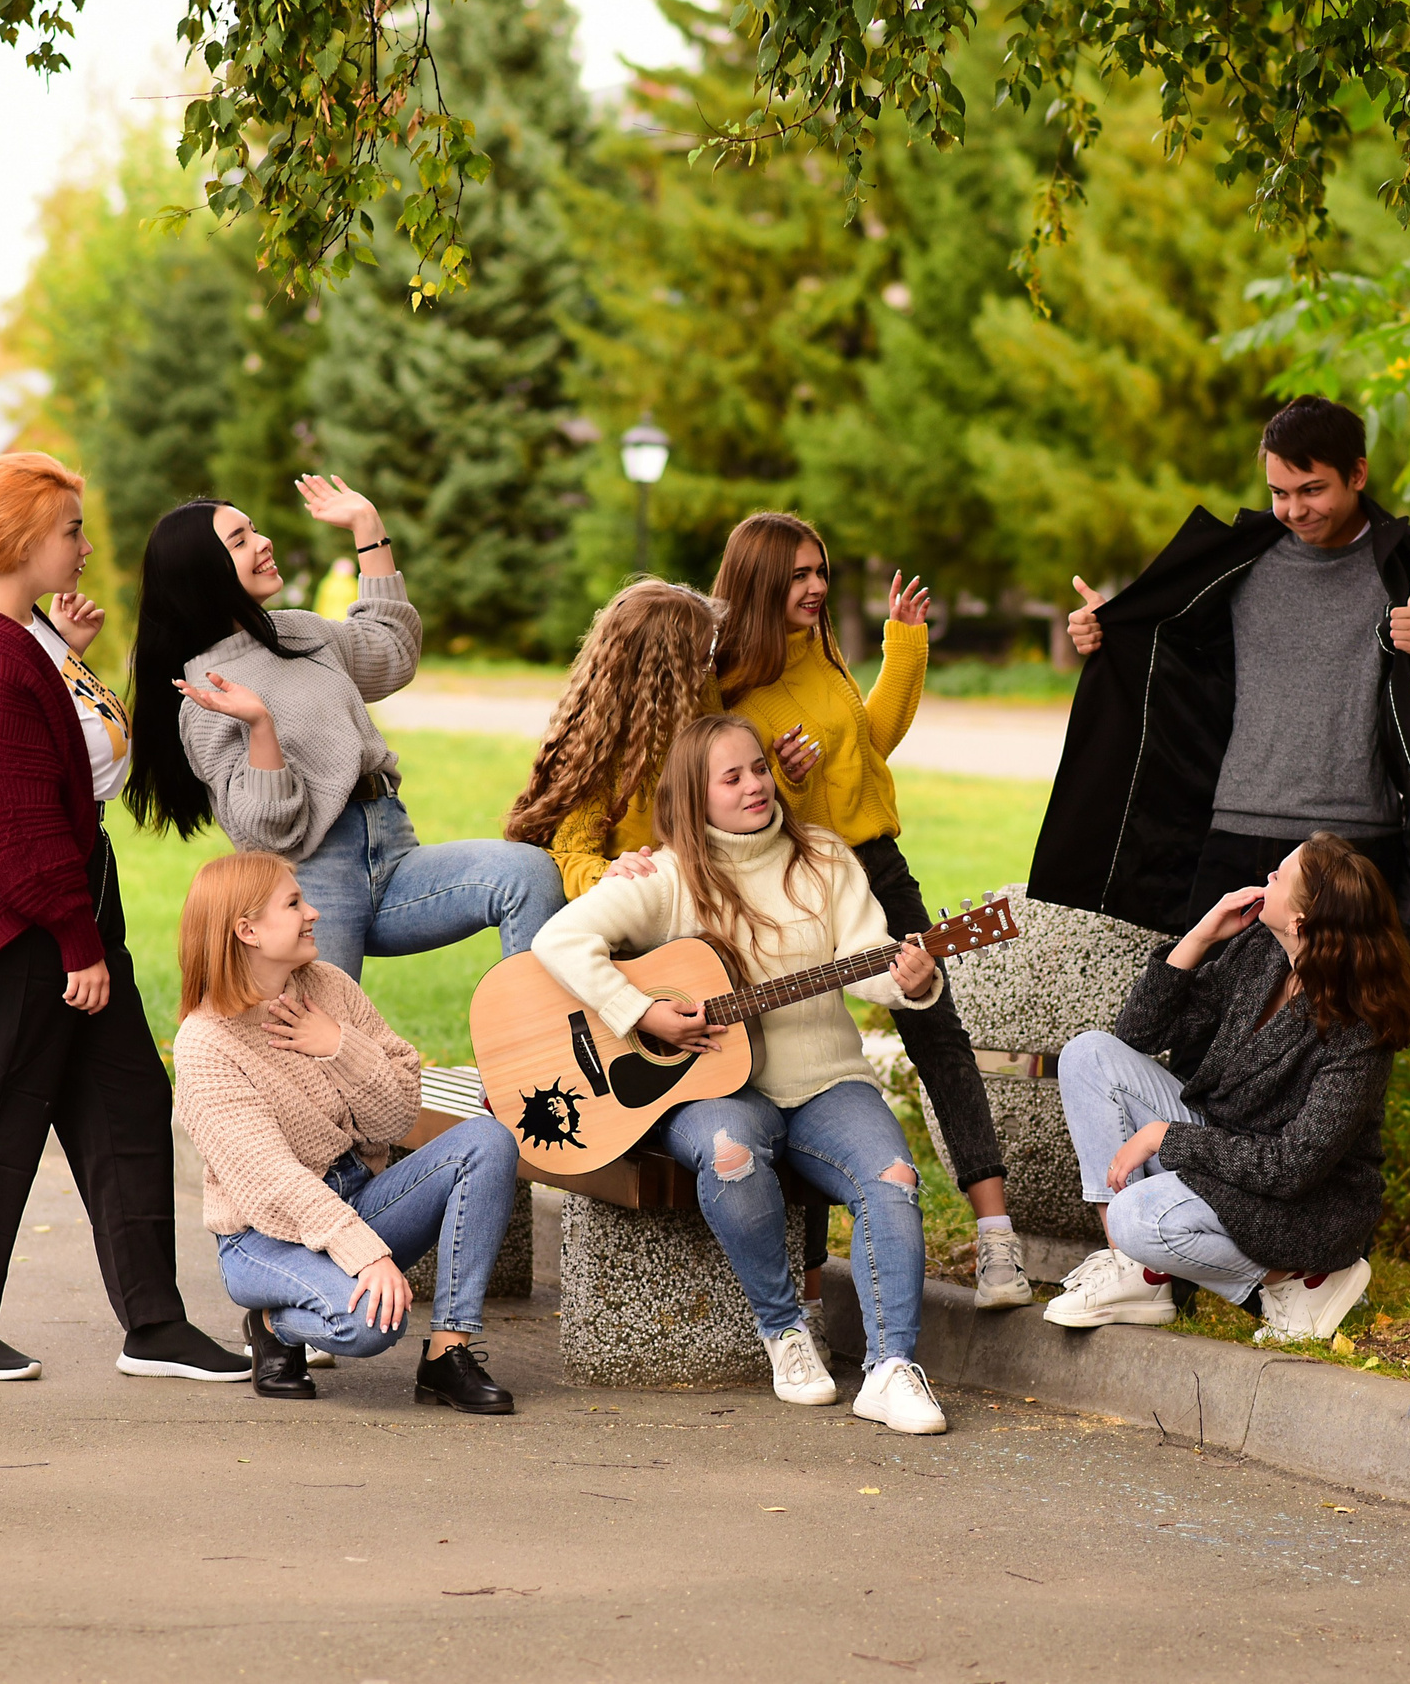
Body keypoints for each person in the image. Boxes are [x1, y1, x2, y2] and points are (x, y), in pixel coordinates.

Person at [0, 451, 248, 1385]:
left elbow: (55, 764)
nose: (87, 547)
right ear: (22, 540)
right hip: (25, 924)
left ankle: (154, 1323)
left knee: (127, 1105)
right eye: (71, 531)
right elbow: (17, 830)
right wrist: (75, 941)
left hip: (67, 910)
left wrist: (63, 642)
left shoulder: (16, 633)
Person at [529, 714, 951, 1435]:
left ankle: (890, 1368)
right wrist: (641, 1012)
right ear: (696, 796)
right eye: (733, 776)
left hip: (824, 1079)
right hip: (713, 1085)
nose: (756, 784)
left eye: (759, 767)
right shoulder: (665, 875)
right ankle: (785, 1332)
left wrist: (910, 978)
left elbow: (868, 956)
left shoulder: (821, 856)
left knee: (894, 1176)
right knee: (729, 1153)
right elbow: (558, 938)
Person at [710, 514, 1036, 1313]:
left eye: (819, 570)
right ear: (756, 583)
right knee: (806, 1060)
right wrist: (782, 780)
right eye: (796, 576)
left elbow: (870, 742)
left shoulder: (822, 654)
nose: (815, 587)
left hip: (877, 864)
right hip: (794, 880)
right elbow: (737, 806)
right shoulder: (731, 687)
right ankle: (813, 1286)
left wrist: (904, 645)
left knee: (939, 1031)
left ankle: (998, 1241)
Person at [1037, 394, 1410, 956]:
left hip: (1354, 843)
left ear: (1357, 474)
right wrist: (1111, 632)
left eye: (1312, 490)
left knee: (1344, 1026)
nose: (1295, 510)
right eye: (1280, 493)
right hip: (1235, 832)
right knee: (1203, 1022)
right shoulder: (1237, 558)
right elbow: (1177, 659)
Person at [124, 475, 563, 980]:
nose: (263, 542)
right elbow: (267, 833)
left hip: (393, 849)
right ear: (204, 573)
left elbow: (391, 649)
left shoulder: (296, 631)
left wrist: (367, 528)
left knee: (525, 874)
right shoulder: (205, 696)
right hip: (313, 882)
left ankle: (543, 1047)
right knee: (325, 1045)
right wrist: (260, 727)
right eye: (240, 540)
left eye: (254, 530)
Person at [1043, 832, 1410, 1343]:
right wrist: (1201, 936)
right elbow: (1139, 1034)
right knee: (1089, 1054)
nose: (1266, 877)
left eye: (1279, 876)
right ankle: (1136, 1273)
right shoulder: (1262, 952)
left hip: (1303, 1203)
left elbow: (1294, 1167)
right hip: (1226, 1147)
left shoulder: (1358, 1027)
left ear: (1301, 923)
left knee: (1139, 1216)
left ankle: (1298, 1280)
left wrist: (1166, 1136)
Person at [172, 851, 521, 1408]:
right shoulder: (206, 1044)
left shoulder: (328, 987)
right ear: (248, 930)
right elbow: (272, 1183)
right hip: (262, 1237)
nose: (313, 912)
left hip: (357, 1194)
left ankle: (447, 1352)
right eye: (293, 903)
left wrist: (338, 1045)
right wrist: (367, 1255)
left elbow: (399, 1116)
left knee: (488, 1141)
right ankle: (271, 1326)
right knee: (371, 1327)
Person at [504, 579, 722, 898]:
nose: (713, 667)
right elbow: (567, 858)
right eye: (703, 660)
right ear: (662, 679)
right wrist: (611, 872)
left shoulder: (703, 702)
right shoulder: (600, 758)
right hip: (634, 914)